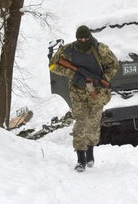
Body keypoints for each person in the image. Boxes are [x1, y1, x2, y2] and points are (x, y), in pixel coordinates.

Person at [49, 25, 119, 172]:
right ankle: (81, 159)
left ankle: (90, 152)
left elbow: (114, 65)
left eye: (85, 38)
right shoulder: (68, 50)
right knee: (81, 122)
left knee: (93, 123)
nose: (83, 40)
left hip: (97, 92)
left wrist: (104, 78)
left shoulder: (101, 49)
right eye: (80, 38)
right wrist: (74, 74)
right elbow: (52, 66)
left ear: (90, 36)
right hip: (77, 91)